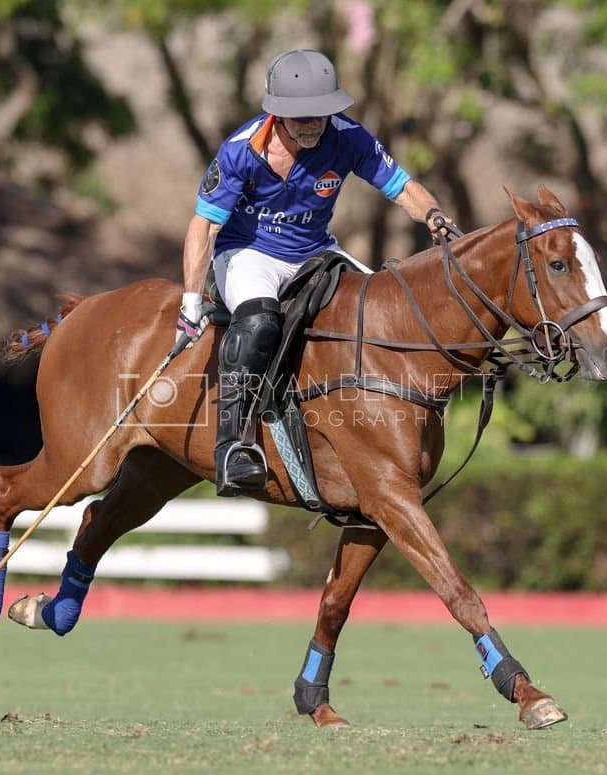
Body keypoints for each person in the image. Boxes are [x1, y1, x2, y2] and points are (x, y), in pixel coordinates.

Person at [177, 49, 459, 496]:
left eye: (322, 114)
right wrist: (191, 301)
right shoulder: (239, 151)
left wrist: (434, 217)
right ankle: (233, 446)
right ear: (278, 114)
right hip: (248, 253)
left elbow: (402, 187)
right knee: (259, 321)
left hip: (315, 251)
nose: (313, 124)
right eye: (302, 117)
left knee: (384, 310)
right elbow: (205, 225)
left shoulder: (349, 138)